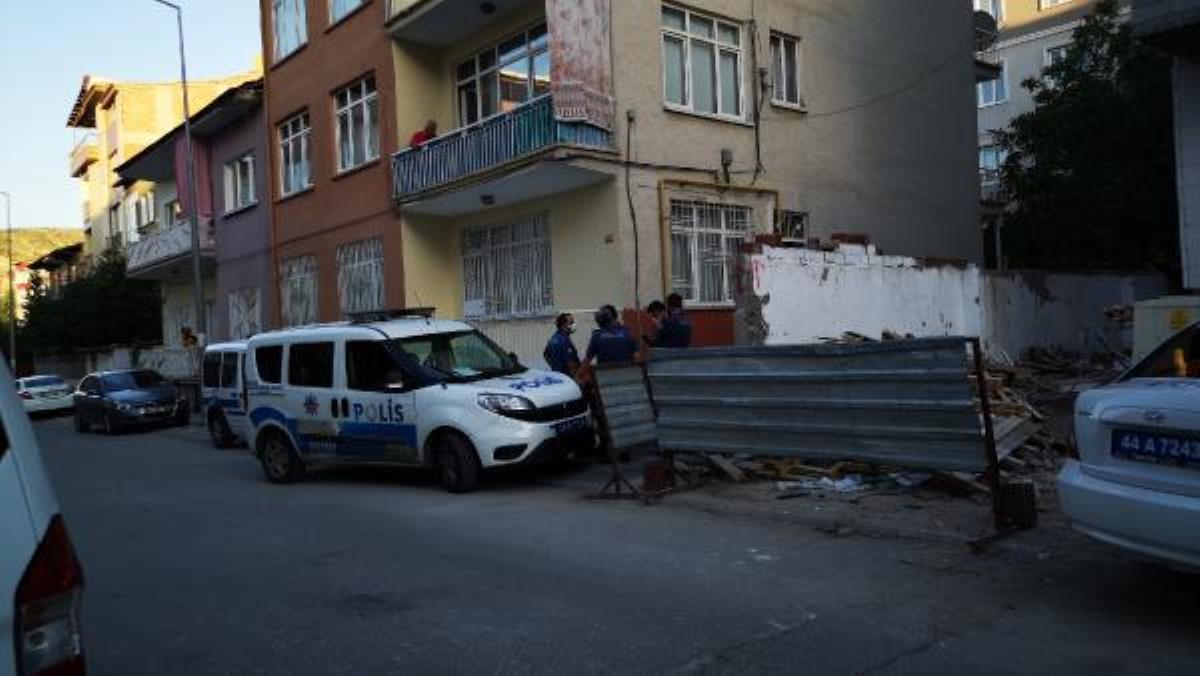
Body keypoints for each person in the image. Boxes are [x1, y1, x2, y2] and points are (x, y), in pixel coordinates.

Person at [543, 313, 580, 377]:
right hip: (567, 376)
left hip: (556, 374)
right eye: (571, 322)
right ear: (563, 325)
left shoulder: (553, 338)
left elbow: (546, 355)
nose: (574, 324)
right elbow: (570, 362)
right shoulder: (564, 341)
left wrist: (555, 366)